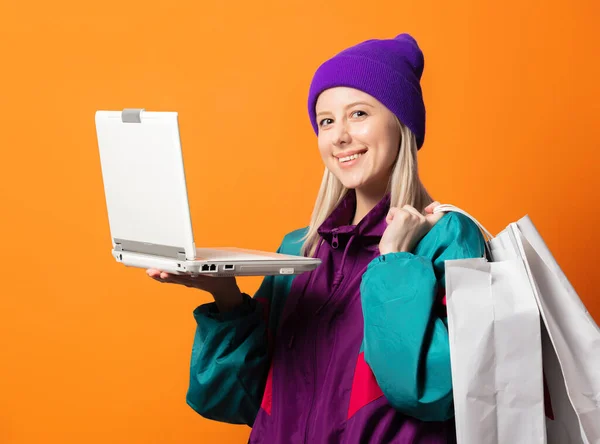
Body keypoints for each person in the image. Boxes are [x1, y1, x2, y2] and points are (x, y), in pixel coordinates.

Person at [147, 33, 485, 443]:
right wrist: (228, 298)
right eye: (326, 121)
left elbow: (432, 393)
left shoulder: (447, 238)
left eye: (358, 113)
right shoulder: (297, 251)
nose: (339, 136)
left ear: (402, 123)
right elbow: (237, 401)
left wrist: (394, 260)